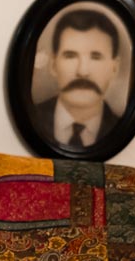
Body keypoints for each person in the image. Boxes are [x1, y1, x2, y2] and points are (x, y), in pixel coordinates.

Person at [32, 8, 123, 153]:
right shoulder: (33, 118)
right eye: (70, 56)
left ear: (114, 68)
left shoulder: (121, 130)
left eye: (96, 57)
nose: (82, 72)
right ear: (53, 65)